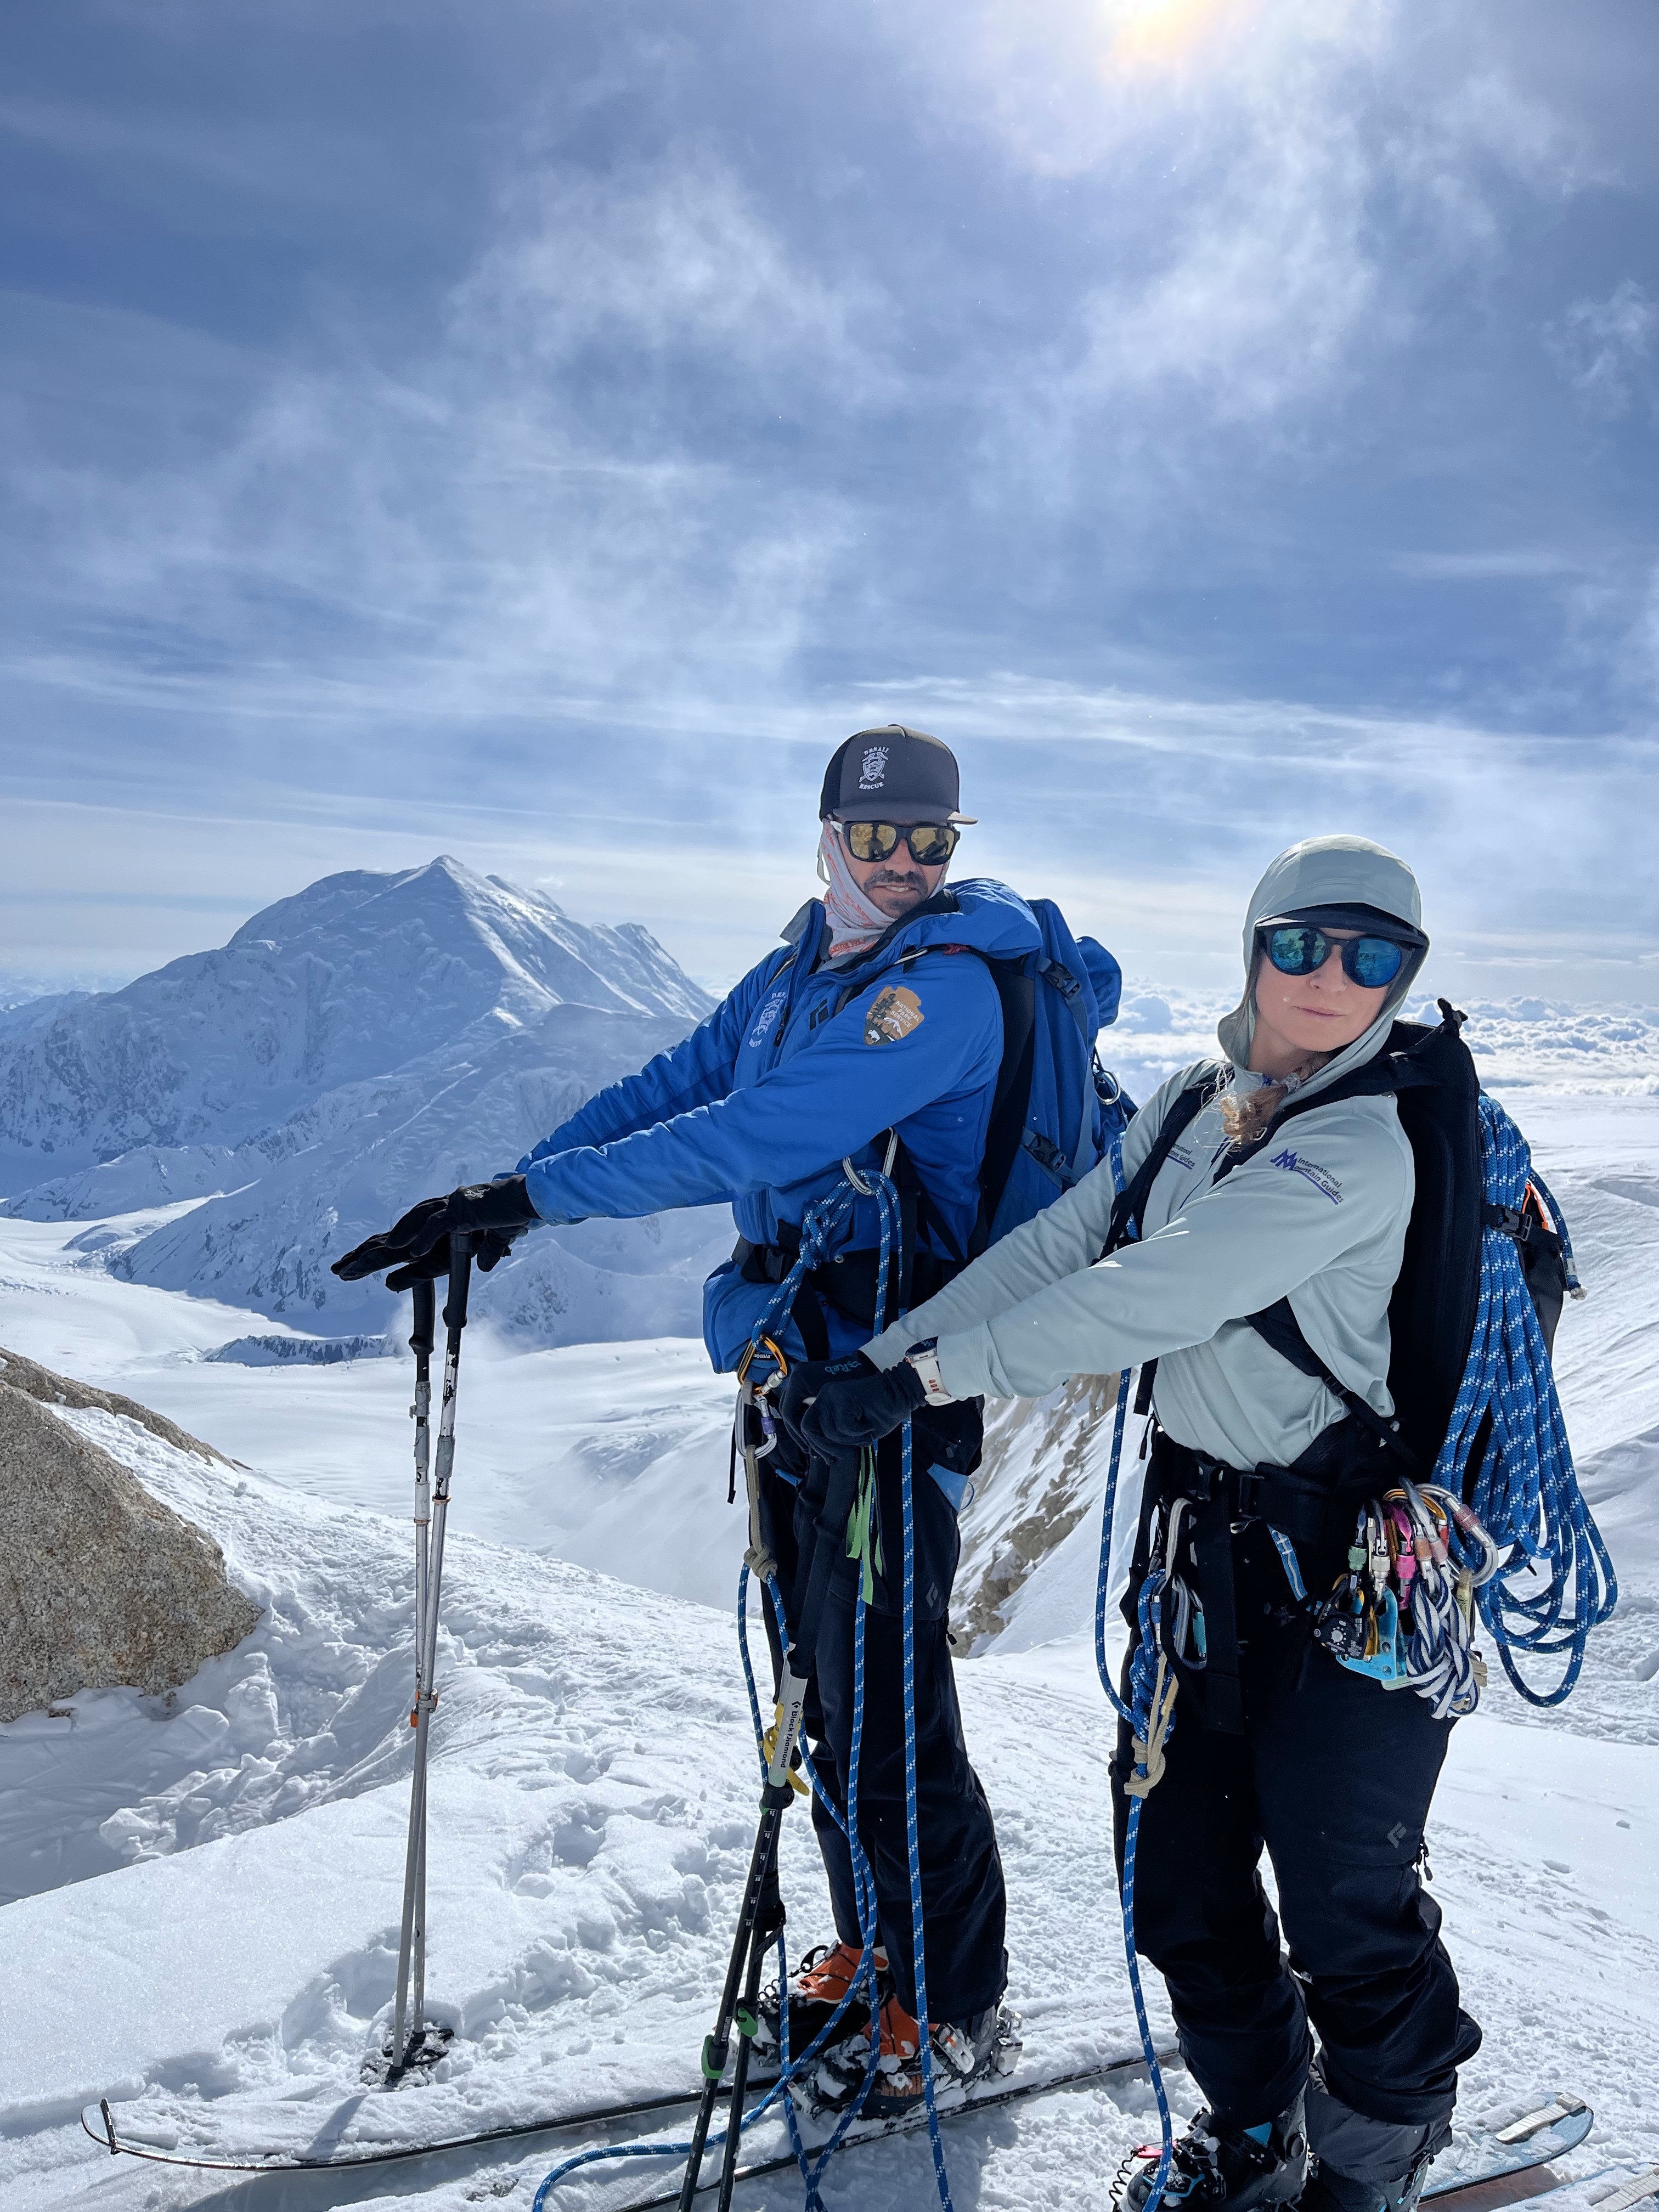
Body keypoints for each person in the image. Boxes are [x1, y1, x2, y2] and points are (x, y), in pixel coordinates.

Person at [334, 725, 1076, 2112]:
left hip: (897, 1387)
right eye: (877, 839)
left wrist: (535, 1205)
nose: (904, 865)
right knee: (823, 1693)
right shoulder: (806, 965)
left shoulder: (948, 996)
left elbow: (755, 1136)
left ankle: (953, 2002)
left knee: (889, 1707)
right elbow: (681, 1083)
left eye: (931, 842)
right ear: (829, 838)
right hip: (804, 1375)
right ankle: (874, 1954)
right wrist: (511, 1184)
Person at [797, 834, 1482, 2212]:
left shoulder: (1367, 1141)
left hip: (1346, 1567)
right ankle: (1253, 2132)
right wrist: (885, 1362)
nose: (1330, 977)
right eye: (1301, 942)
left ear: (1406, 979)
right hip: (1199, 1559)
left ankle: (1368, 2175)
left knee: (1350, 1906)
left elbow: (1154, 1294)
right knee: (1180, 1882)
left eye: (1373, 956)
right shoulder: (1195, 1101)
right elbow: (1066, 1242)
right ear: (1253, 945)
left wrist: (921, 1380)